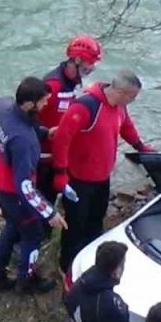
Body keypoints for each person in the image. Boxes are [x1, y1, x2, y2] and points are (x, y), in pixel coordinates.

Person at [52, 69, 153, 285]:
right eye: (132, 96)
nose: (133, 101)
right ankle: (66, 266)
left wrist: (140, 147)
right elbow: (62, 138)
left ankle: (90, 259)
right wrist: (60, 173)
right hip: (78, 179)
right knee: (75, 225)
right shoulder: (85, 107)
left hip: (101, 176)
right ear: (121, 91)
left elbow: (126, 127)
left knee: (96, 220)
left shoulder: (119, 107)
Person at [0, 78, 68, 294]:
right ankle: (26, 281)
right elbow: (25, 187)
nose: (45, 106)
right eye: (43, 102)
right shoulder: (24, 143)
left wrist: (43, 132)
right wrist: (49, 213)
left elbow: (17, 127)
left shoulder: (1, 106)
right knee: (33, 234)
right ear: (30, 104)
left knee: (13, 226)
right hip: (13, 191)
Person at [37, 35, 103, 201]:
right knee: (44, 201)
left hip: (59, 153)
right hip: (44, 157)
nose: (92, 68)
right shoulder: (53, 85)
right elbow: (29, 119)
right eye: (90, 63)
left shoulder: (74, 81)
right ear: (78, 60)